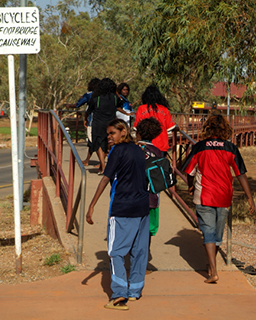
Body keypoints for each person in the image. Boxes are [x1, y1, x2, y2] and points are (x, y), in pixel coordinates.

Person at [181, 114, 256, 284]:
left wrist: (191, 186)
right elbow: (241, 174)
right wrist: (249, 197)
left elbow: (189, 171)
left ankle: (213, 270)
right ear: (225, 130)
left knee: (208, 232)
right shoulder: (230, 148)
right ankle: (212, 266)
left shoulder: (199, 147)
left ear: (207, 128)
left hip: (204, 195)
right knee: (216, 234)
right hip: (224, 196)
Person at [86, 119, 150, 310]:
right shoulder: (139, 150)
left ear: (123, 132)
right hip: (142, 207)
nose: (109, 137)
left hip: (122, 208)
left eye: (112, 133)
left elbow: (106, 177)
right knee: (140, 251)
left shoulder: (117, 151)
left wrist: (92, 205)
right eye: (108, 134)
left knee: (115, 252)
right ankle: (135, 291)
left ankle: (119, 294)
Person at [135, 117, 163, 250]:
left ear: (137, 133)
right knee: (148, 231)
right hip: (152, 197)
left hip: (132, 196)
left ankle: (132, 260)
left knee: (133, 229)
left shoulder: (132, 149)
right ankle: (143, 262)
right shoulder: (158, 152)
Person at [86, 78, 122, 174]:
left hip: (98, 124)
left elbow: (89, 110)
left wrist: (85, 119)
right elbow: (120, 104)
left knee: (98, 144)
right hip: (111, 124)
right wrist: (117, 93)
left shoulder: (96, 98)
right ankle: (106, 166)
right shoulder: (114, 97)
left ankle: (103, 166)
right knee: (109, 144)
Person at [134, 85, 176, 155]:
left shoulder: (141, 108)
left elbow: (136, 127)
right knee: (160, 164)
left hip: (145, 145)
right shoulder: (164, 109)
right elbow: (170, 127)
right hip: (161, 145)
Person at [76, 78, 100, 166]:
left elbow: (79, 104)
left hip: (93, 121)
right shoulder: (105, 95)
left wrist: (69, 105)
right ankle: (87, 160)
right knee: (91, 142)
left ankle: (102, 163)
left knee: (95, 141)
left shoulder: (89, 95)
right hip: (104, 121)